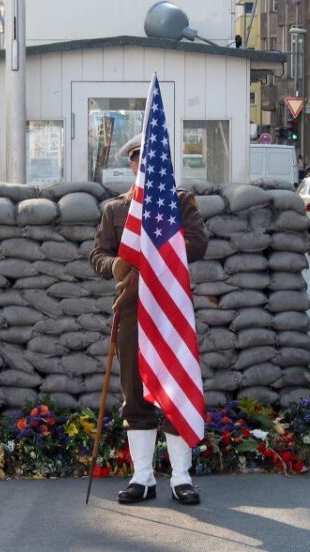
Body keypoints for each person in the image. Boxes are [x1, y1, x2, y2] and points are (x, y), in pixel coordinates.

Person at [90, 134, 209, 506]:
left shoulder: (180, 203)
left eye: (152, 161)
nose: (145, 167)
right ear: (131, 166)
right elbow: (98, 255)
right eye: (139, 161)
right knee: (135, 395)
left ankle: (181, 477)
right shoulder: (116, 210)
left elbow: (199, 243)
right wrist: (115, 265)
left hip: (170, 313)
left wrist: (161, 247)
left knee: (175, 388)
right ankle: (143, 477)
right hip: (132, 311)